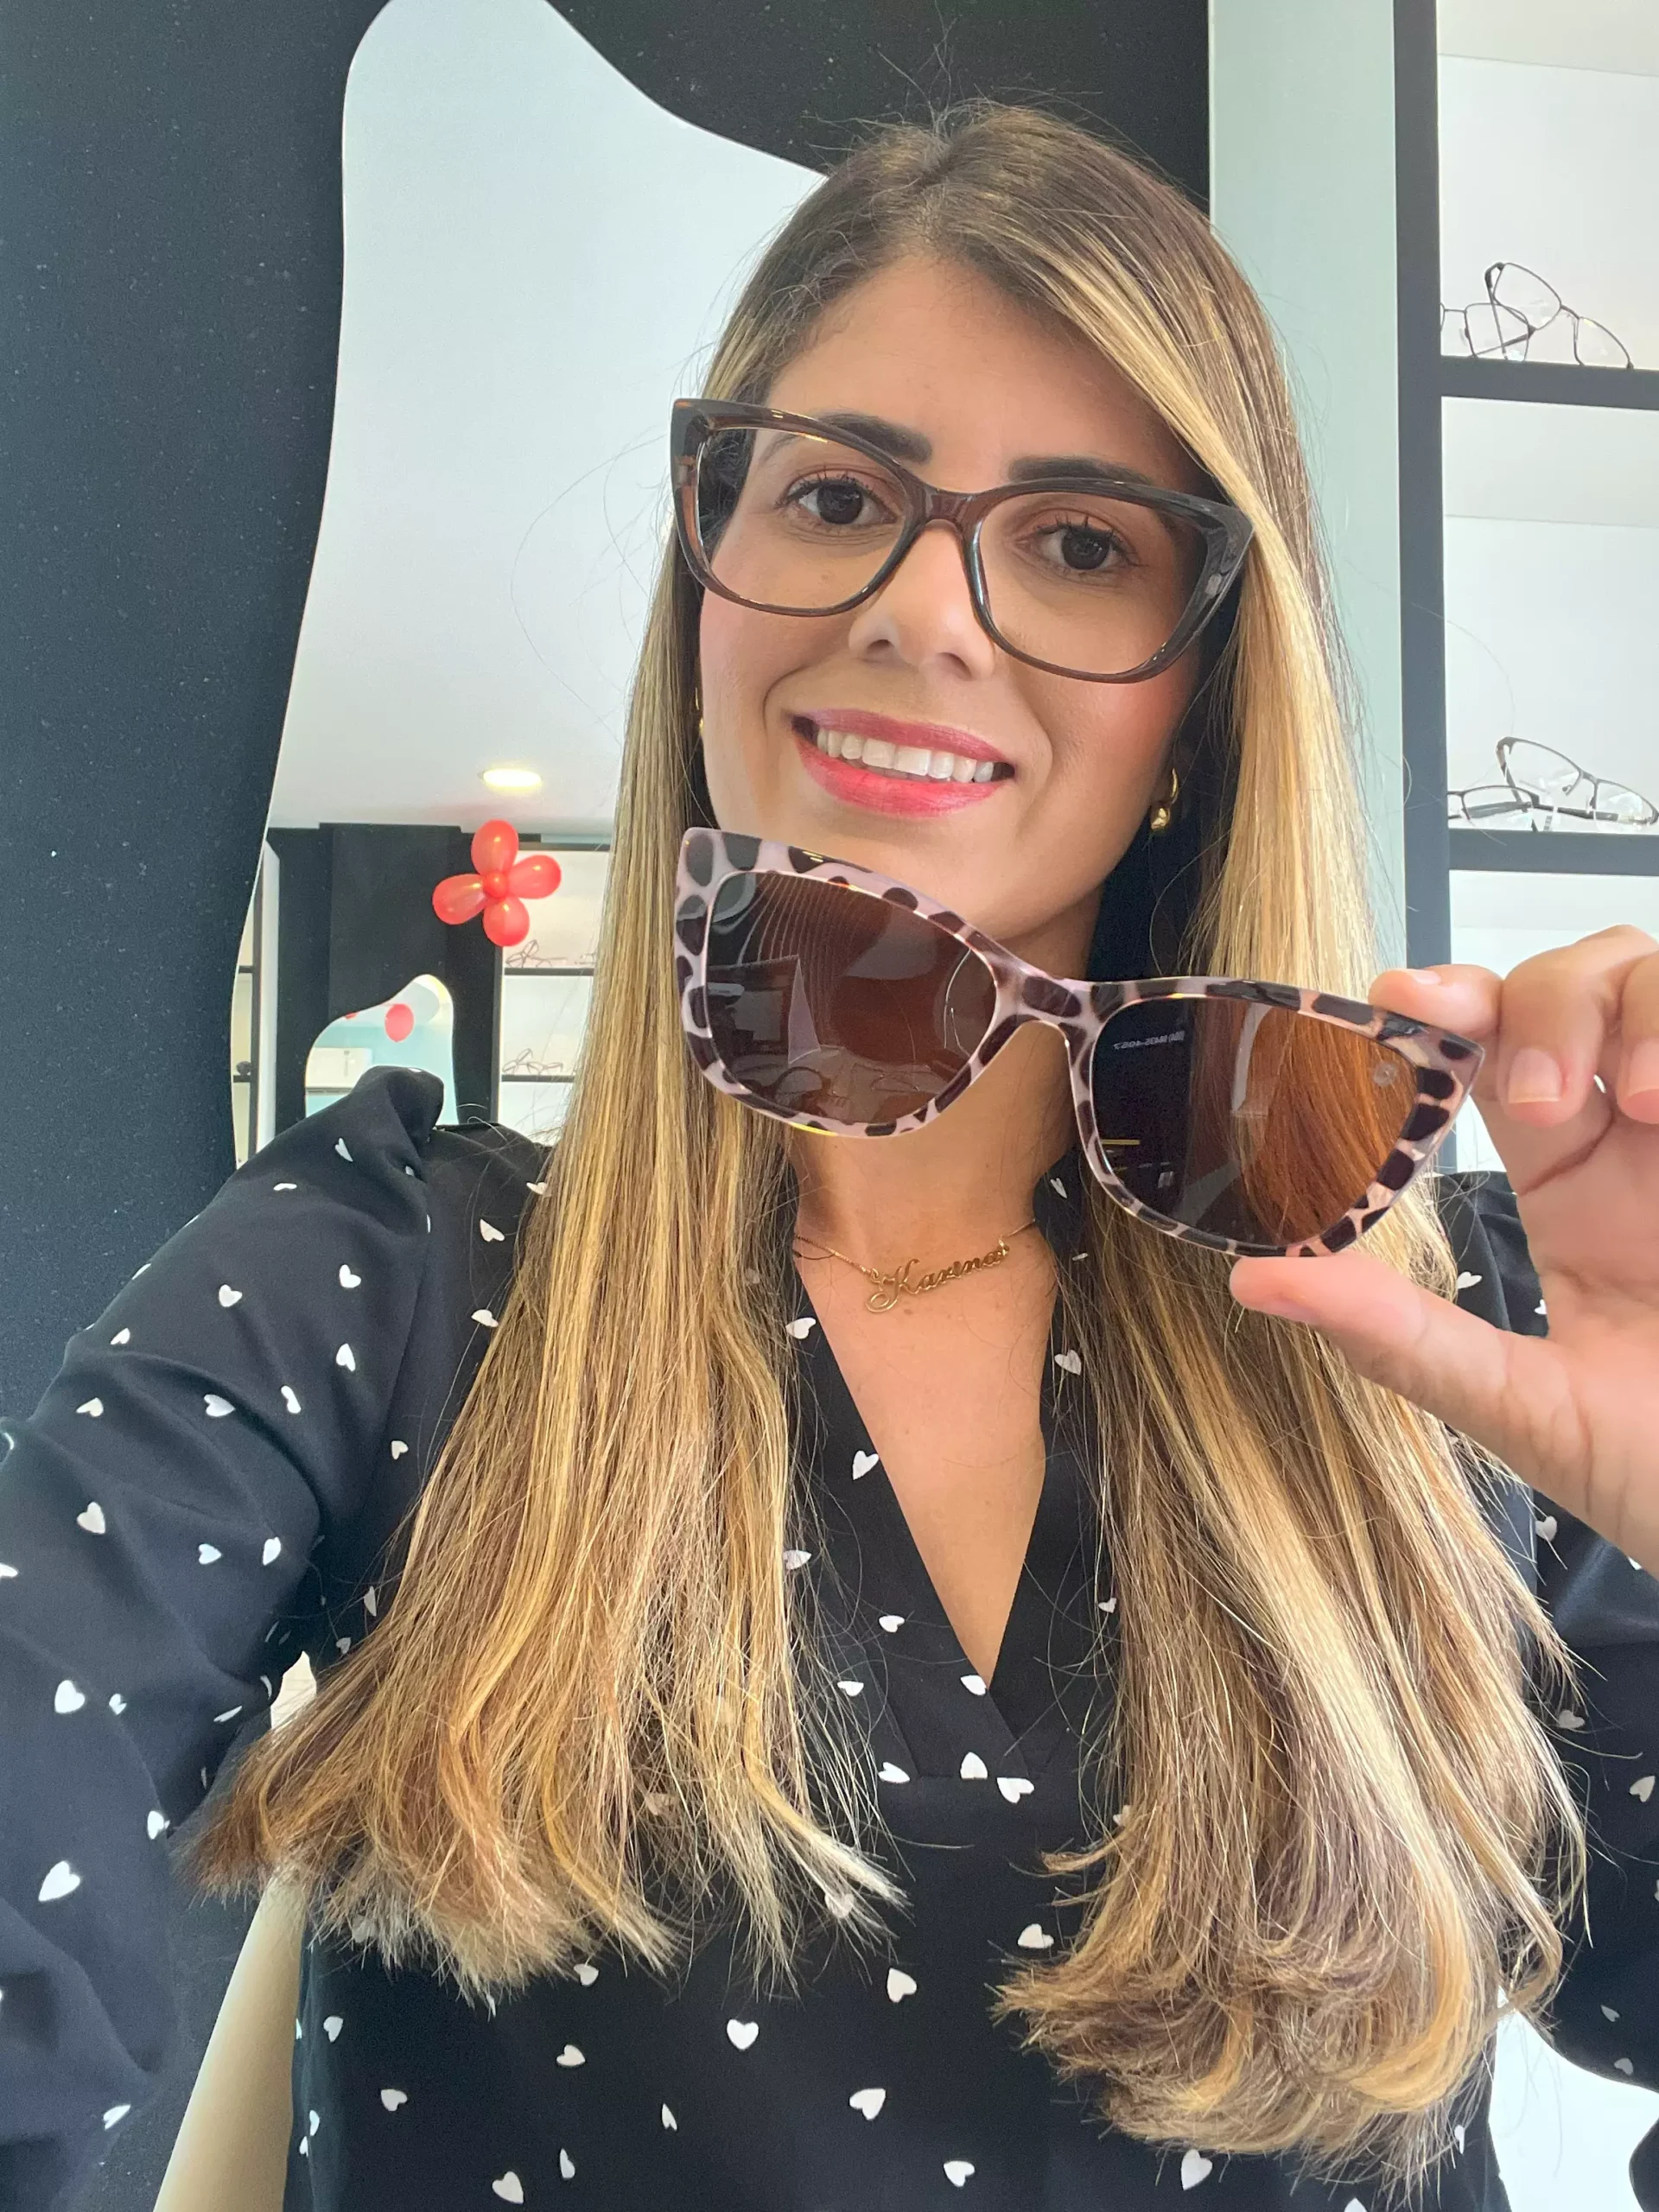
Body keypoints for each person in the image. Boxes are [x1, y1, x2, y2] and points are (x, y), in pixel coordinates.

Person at [4, 98, 1659, 2212]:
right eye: (837, 495)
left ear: (1202, 703)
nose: (926, 610)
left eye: (1080, 543)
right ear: (708, 581)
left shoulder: (1473, 1331)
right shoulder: (377, 1276)